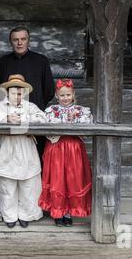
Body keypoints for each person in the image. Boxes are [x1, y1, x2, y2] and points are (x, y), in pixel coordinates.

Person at [0, 74, 47, 228]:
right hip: (6, 146)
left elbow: (42, 118)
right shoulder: (0, 107)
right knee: (6, 183)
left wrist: (23, 119)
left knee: (28, 182)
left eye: (20, 93)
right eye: (14, 92)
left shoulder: (30, 107)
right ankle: (9, 215)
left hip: (25, 145)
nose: (17, 95)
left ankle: (27, 214)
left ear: (24, 93)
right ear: (7, 92)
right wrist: (6, 118)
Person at [38, 79, 93, 227]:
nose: (65, 98)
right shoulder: (50, 111)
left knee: (72, 180)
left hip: (74, 148)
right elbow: (46, 129)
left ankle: (69, 212)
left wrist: (74, 120)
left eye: (68, 94)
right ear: (57, 95)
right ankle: (58, 212)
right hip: (56, 148)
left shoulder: (81, 111)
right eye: (62, 95)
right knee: (58, 179)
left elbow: (87, 129)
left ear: (73, 94)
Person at [0, 26, 55, 155]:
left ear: (29, 40)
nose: (19, 42)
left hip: (34, 117)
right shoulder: (3, 62)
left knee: (36, 155)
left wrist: (35, 103)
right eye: (15, 39)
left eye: (23, 39)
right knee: (9, 155)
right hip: (10, 118)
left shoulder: (41, 61)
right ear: (11, 42)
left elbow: (49, 89)